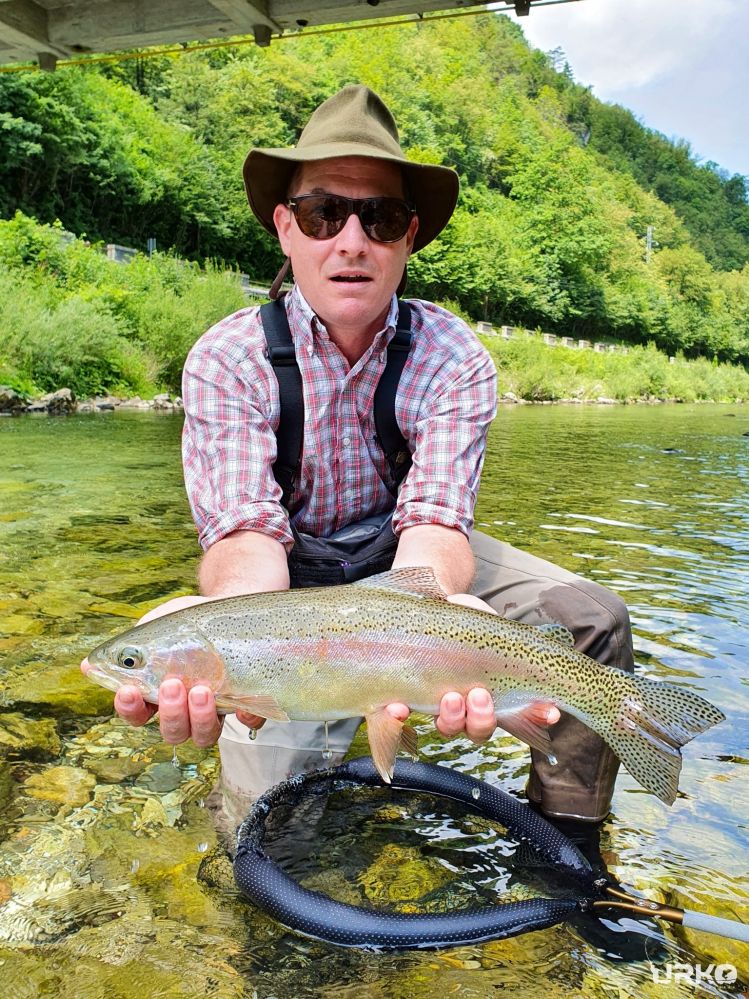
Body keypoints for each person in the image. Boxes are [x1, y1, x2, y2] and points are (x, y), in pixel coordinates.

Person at [84, 85, 634, 834]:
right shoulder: (227, 357)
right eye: (322, 214)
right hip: (286, 581)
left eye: (377, 218)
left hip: (408, 565)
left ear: (407, 237)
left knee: (590, 620)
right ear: (285, 229)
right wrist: (222, 635)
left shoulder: (451, 355)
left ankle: (569, 841)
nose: (350, 241)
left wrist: (436, 629)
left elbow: (436, 528)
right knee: (262, 827)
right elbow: (246, 540)